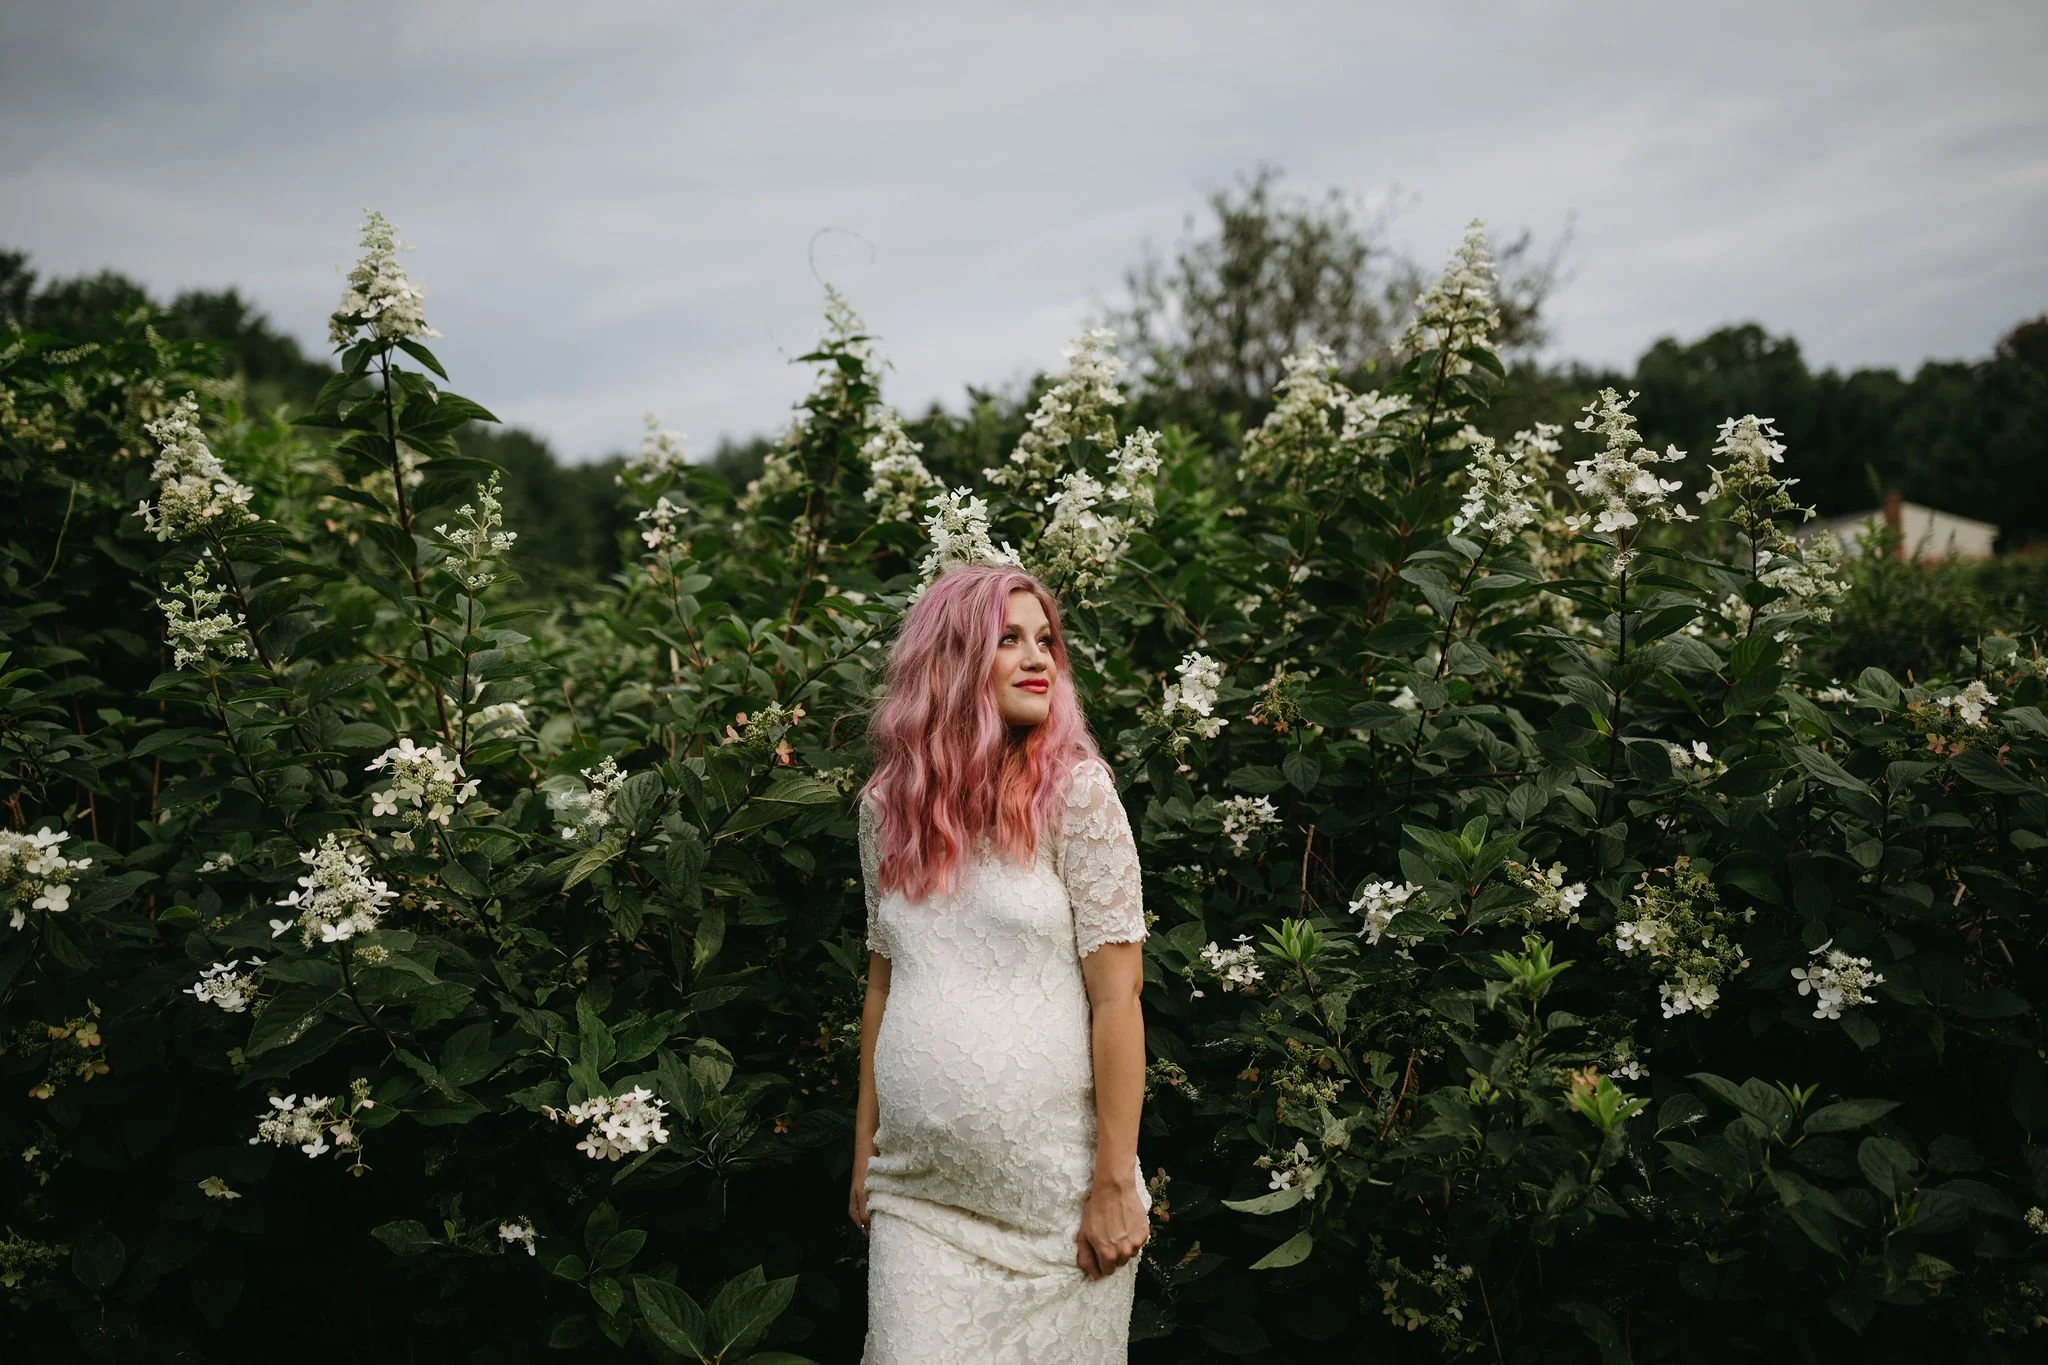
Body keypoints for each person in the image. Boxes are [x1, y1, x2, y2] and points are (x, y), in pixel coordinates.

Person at [850, 562, 1151, 1363]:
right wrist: (864, 1156)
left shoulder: (1078, 796)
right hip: (917, 1198)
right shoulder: (887, 811)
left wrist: (1115, 1184)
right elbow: (885, 983)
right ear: (949, 662)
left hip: (1059, 1214)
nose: (1038, 658)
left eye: (1045, 640)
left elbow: (1119, 998)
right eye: (1008, 639)